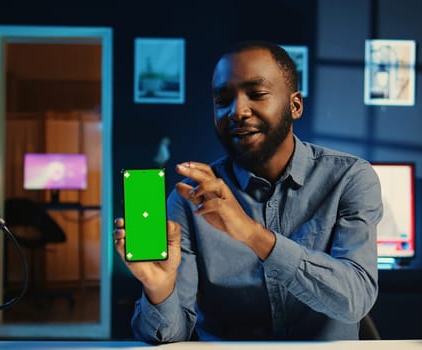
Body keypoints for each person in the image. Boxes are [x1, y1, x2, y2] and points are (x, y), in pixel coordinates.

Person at [113, 40, 383, 343]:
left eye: (257, 94)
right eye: (222, 100)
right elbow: (170, 336)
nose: (237, 111)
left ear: (295, 105)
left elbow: (355, 301)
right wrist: (158, 289)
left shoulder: (350, 178)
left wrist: (251, 234)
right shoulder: (190, 199)